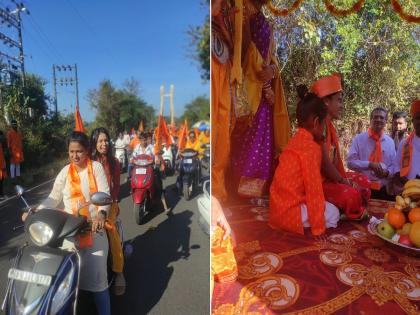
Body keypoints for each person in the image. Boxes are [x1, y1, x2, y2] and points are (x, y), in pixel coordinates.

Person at [33, 131, 111, 315]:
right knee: (59, 278)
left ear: (87, 151)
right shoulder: (65, 172)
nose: (75, 156)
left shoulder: (96, 168)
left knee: (98, 282)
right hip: (68, 233)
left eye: (79, 151)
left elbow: (105, 195)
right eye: (71, 152)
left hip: (93, 230)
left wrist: (101, 215)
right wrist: (37, 210)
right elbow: (53, 197)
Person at [230, 0, 290, 197]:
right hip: (248, 92)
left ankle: (256, 193)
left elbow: (271, 57)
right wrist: (261, 75)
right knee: (247, 143)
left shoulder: (264, 20)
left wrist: (272, 70)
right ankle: (241, 194)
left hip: (263, 96)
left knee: (263, 145)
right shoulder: (242, 11)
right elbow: (245, 49)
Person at [269, 90, 340, 236]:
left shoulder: (294, 141)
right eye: (323, 125)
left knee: (325, 206)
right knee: (334, 212)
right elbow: (313, 190)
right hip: (291, 213)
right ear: (316, 123)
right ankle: (306, 226)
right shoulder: (312, 148)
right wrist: (318, 228)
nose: (324, 130)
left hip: (276, 211)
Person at [311, 74, 371, 220]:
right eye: (339, 100)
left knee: (364, 181)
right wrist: (345, 182)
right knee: (351, 194)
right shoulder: (319, 127)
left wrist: (344, 180)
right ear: (326, 101)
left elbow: (335, 163)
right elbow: (325, 165)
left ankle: (341, 206)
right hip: (317, 183)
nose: (342, 105)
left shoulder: (329, 125)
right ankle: (341, 208)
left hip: (329, 179)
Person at [90, 128, 126, 296]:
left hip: (108, 203)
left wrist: (111, 202)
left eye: (105, 141)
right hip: (90, 204)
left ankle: (119, 272)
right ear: (94, 143)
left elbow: (117, 186)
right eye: (100, 141)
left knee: (111, 232)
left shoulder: (115, 162)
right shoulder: (89, 162)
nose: (103, 144)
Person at [347, 107, 396, 200]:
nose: (378, 119)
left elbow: (394, 166)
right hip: (362, 188)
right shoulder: (359, 139)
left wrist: (387, 173)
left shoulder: (390, 142)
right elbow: (350, 163)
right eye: (375, 117)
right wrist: (369, 164)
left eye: (382, 118)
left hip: (383, 190)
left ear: (385, 121)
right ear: (370, 120)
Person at [390, 100, 420, 194]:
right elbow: (396, 165)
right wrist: (405, 181)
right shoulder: (405, 143)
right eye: (418, 118)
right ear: (413, 121)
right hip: (409, 190)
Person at [7, 119, 24, 184]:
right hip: (13, 151)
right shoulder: (9, 133)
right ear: (11, 125)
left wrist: (21, 149)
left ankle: (18, 176)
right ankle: (13, 178)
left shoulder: (19, 133)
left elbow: (21, 141)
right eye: (13, 124)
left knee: (18, 164)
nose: (14, 125)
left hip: (19, 151)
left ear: (17, 125)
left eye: (15, 124)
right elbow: (8, 143)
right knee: (12, 164)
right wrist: (9, 151)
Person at [0, 130, 7, 199]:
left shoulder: (1, 145)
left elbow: (2, 156)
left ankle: (2, 194)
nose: (1, 137)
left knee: (1, 180)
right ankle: (1, 195)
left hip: (2, 165)